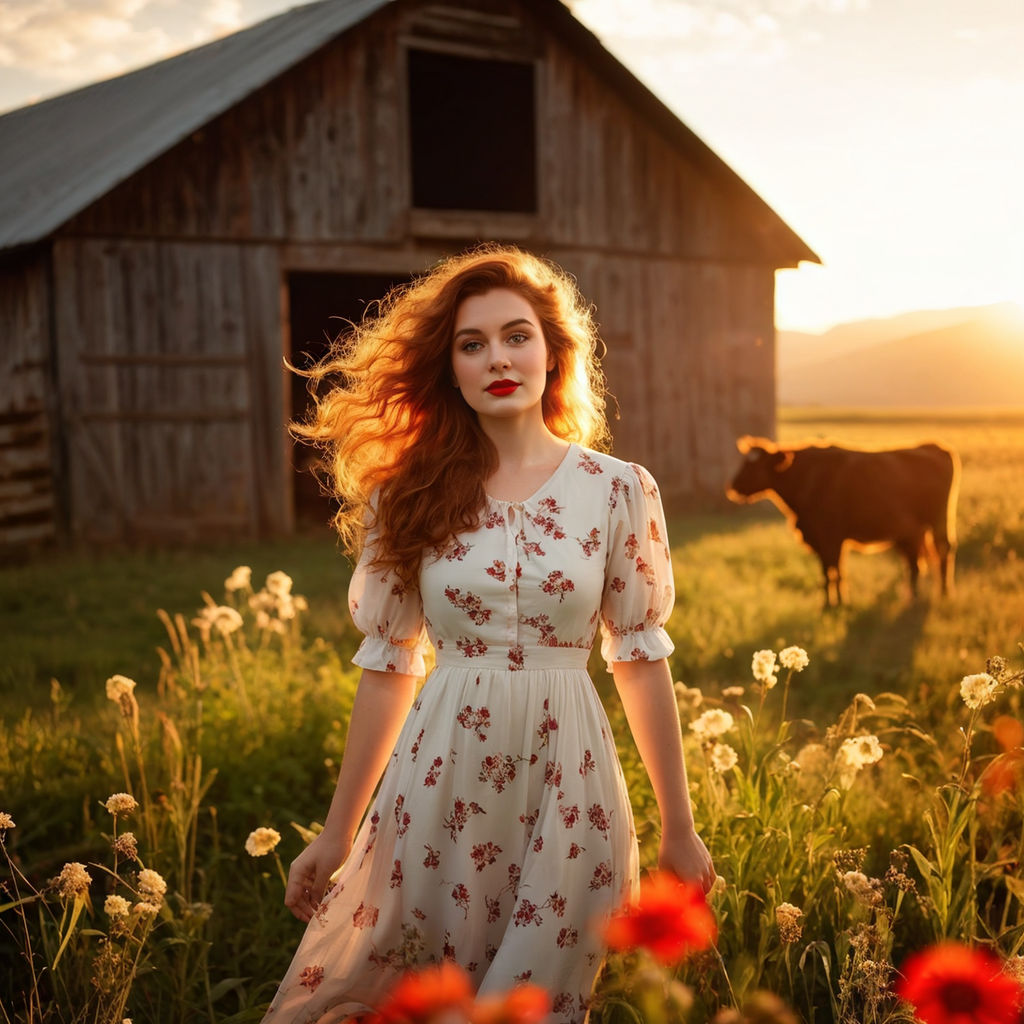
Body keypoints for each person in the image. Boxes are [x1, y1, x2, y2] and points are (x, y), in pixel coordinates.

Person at [262, 245, 715, 1023]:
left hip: (569, 789)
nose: (497, 358)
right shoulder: (404, 497)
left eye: (516, 335)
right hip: (439, 787)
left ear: (553, 352)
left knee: (533, 1006)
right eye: (472, 344)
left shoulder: (618, 488)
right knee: (413, 997)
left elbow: (639, 658)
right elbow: (387, 668)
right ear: (451, 368)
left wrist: (680, 826)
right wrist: (336, 838)